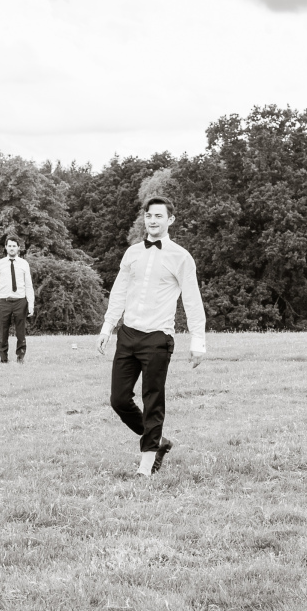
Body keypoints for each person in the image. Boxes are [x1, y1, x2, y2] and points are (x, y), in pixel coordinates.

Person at [97, 196, 206, 477]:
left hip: (158, 338)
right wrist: (108, 326)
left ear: (170, 219)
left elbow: (192, 300)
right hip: (128, 334)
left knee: (152, 400)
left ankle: (146, 465)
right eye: (149, 216)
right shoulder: (132, 253)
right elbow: (119, 291)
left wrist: (198, 341)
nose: (153, 220)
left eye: (159, 216)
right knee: (119, 400)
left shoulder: (181, 257)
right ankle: (158, 440)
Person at [0, 236, 34, 363]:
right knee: (3, 331)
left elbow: (28, 285)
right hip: (4, 301)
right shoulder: (0, 264)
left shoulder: (24, 264)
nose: (12, 248)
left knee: (20, 331)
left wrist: (31, 303)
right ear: (6, 247)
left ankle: (20, 356)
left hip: (20, 301)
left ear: (18, 248)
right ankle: (3, 358)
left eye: (14, 246)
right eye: (9, 246)